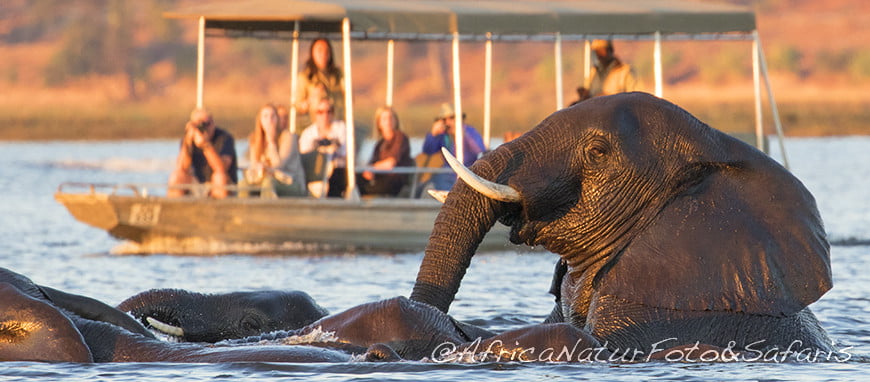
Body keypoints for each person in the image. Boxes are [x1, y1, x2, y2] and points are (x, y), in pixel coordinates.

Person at [167, 108, 238, 199]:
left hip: (220, 184)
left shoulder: (224, 138)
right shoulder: (188, 139)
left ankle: (220, 211)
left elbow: (222, 168)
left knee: (219, 177)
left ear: (213, 123)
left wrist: (206, 146)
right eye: (199, 124)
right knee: (176, 176)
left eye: (207, 124)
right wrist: (188, 141)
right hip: (197, 183)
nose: (204, 128)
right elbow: (182, 167)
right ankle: (174, 210)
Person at [241, 103, 307, 198]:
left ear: (277, 119)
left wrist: (272, 143)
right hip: (263, 180)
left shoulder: (288, 137)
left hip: (290, 182)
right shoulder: (255, 140)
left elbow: (279, 165)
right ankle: (242, 212)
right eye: (265, 117)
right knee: (243, 184)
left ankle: (267, 212)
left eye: (273, 116)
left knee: (268, 183)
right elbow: (254, 165)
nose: (269, 120)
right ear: (260, 121)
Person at [421, 103, 485, 191]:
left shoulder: (469, 131)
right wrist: (433, 134)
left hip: (468, 172)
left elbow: (480, 150)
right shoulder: (443, 135)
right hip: (447, 173)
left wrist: (464, 135)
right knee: (430, 185)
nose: (448, 122)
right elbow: (428, 150)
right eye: (444, 119)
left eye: (451, 118)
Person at [358, 106, 414, 197]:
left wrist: (373, 168)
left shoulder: (400, 137)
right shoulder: (380, 144)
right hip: (380, 178)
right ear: (379, 123)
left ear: (396, 121)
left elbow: (391, 163)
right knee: (353, 179)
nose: (388, 122)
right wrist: (368, 170)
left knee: (364, 188)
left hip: (394, 181)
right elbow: (372, 162)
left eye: (391, 118)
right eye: (384, 119)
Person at [299, 98, 347, 197]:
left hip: (337, 174)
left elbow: (346, 154)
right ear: (315, 114)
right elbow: (304, 158)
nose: (325, 115)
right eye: (320, 112)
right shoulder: (308, 134)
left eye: (328, 111)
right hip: (315, 175)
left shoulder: (341, 129)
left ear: (333, 113)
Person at [295, 38, 344, 132]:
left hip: (336, 127)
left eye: (327, 51)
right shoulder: (305, 77)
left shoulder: (338, 75)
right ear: (312, 53)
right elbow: (299, 106)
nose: (323, 55)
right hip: (313, 127)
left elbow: (348, 98)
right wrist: (313, 96)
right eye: (319, 51)